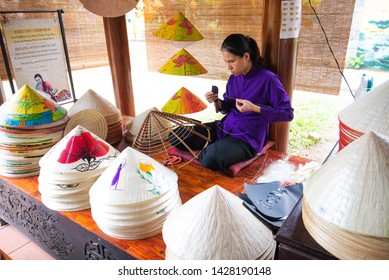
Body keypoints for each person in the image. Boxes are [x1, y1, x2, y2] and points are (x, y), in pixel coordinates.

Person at [170, 34, 294, 171]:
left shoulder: (268, 79)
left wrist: (255, 108)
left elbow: (287, 114)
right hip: (223, 128)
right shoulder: (234, 78)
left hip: (247, 138)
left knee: (209, 158)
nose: (228, 67)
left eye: (231, 61)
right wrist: (217, 101)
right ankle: (216, 146)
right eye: (226, 62)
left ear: (246, 57)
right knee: (176, 136)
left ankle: (214, 149)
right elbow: (227, 107)